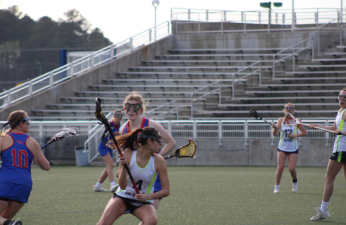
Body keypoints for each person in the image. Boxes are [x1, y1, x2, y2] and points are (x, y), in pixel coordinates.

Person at [97, 127, 170, 225]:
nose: (161, 144)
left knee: (151, 220)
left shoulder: (159, 161)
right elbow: (122, 186)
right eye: (158, 140)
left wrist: (147, 196)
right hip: (123, 197)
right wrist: (123, 167)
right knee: (103, 223)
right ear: (149, 141)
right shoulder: (127, 155)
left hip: (142, 201)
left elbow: (166, 190)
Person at [119, 91, 176, 215]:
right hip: (134, 175)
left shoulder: (151, 124)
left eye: (135, 107)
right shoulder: (123, 129)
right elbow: (125, 154)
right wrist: (121, 170)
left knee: (150, 217)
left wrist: (156, 159)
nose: (131, 110)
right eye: (128, 107)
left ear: (141, 110)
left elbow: (171, 143)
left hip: (151, 176)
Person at [0, 110, 50, 225]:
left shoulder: (3, 139)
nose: (29, 123)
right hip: (24, 186)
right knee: (3, 219)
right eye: (28, 121)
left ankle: (10, 223)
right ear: (21, 124)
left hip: (5, 183)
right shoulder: (32, 142)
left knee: (4, 222)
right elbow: (46, 166)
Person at [309, 88, 346, 221]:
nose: (341, 99)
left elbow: (339, 131)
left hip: (341, 150)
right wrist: (317, 126)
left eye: (344, 97)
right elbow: (333, 129)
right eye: (340, 96)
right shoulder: (341, 111)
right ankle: (323, 210)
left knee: (328, 179)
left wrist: (341, 133)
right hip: (342, 149)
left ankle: (323, 210)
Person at [272, 103, 307, 193]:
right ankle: (276, 187)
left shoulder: (296, 121)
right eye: (287, 108)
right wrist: (275, 128)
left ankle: (294, 181)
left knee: (291, 168)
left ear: (293, 110)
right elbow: (275, 134)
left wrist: (294, 135)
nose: (289, 110)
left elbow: (304, 132)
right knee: (280, 167)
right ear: (284, 110)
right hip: (282, 147)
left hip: (293, 148)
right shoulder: (280, 120)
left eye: (291, 108)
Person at [93, 109, 123, 192]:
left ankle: (97, 186)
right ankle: (112, 185)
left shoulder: (119, 125)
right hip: (103, 147)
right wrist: (106, 144)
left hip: (110, 148)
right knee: (111, 165)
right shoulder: (110, 124)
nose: (119, 117)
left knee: (108, 168)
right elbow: (102, 138)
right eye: (117, 115)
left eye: (121, 115)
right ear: (114, 116)